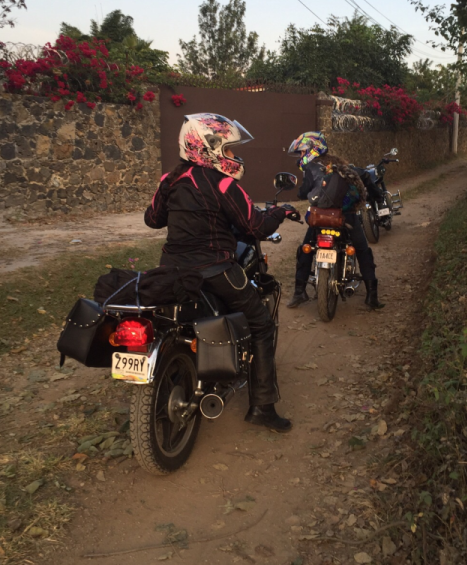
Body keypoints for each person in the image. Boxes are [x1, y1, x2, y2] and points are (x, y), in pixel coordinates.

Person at [144, 112, 296, 432]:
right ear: (207, 146)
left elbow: (153, 220)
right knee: (261, 324)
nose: (233, 156)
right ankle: (263, 407)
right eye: (227, 149)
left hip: (171, 270)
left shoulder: (169, 180)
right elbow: (255, 225)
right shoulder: (223, 183)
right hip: (215, 270)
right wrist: (280, 212)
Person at [286, 131, 385, 311]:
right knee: (362, 250)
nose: (300, 156)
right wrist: (378, 197)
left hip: (319, 219)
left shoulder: (311, 169)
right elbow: (365, 177)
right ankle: (372, 295)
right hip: (345, 218)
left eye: (301, 151)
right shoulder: (343, 166)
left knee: (306, 249)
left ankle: (299, 292)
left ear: (312, 150)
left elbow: (302, 193)